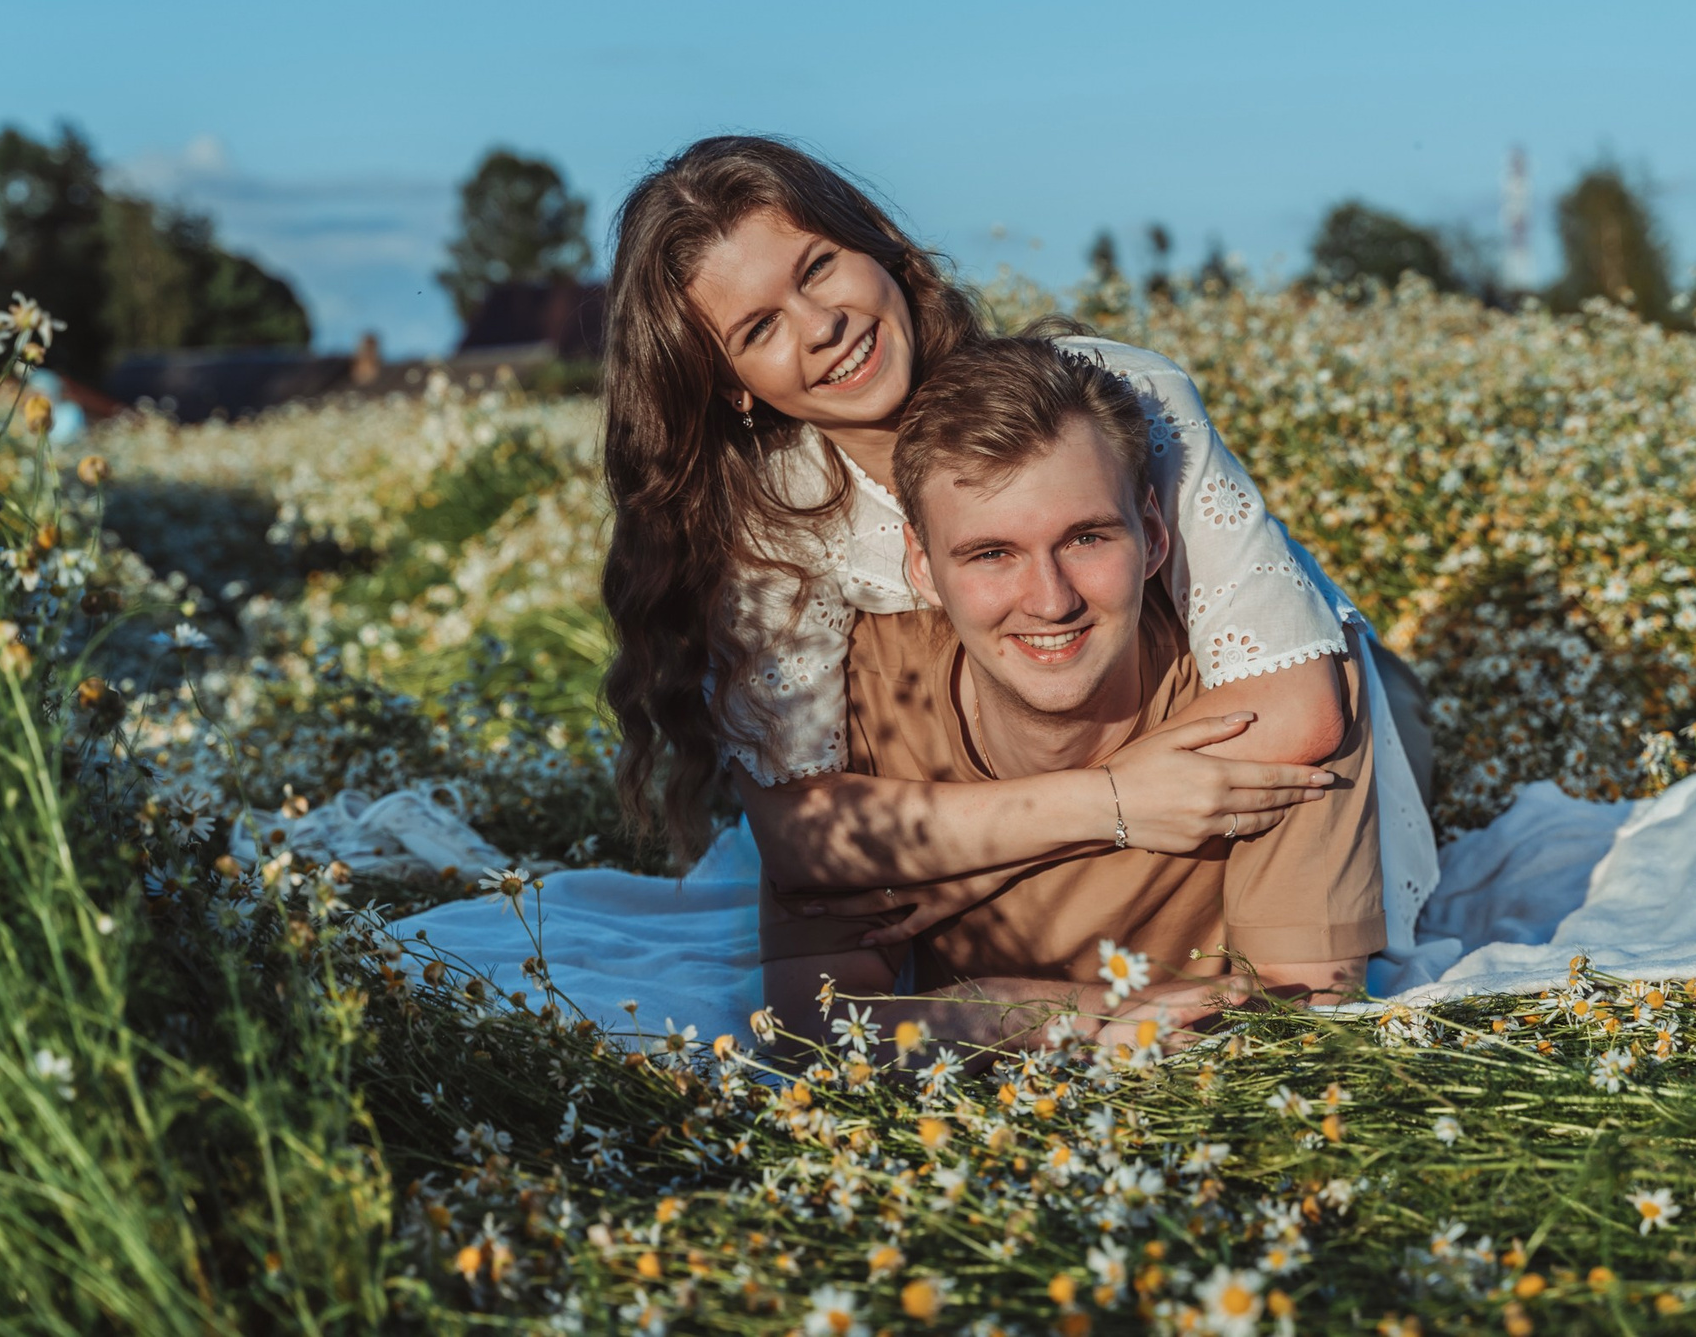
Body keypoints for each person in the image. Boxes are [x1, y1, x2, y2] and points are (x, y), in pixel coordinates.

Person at [598, 137, 1436, 968]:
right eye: (761, 326)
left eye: (818, 267)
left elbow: (1302, 707)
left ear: (878, 244)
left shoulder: (1120, 395)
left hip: (1304, 703)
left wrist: (983, 868)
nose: (822, 326)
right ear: (731, 382)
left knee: (1365, 694)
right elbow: (801, 832)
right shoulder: (774, 523)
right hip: (1063, 755)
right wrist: (1108, 803)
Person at [755, 337, 1383, 1049]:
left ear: (1152, 534)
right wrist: (1017, 1009)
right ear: (922, 569)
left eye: (1087, 538)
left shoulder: (1277, 684)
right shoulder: (858, 705)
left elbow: (1299, 1020)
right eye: (991, 554)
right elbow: (810, 1032)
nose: (1050, 601)